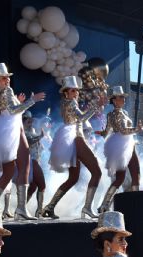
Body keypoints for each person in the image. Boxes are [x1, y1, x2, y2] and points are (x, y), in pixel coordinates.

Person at [0, 63, 45, 220]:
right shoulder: (7, 91)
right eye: (3, 78)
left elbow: (10, 110)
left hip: (4, 132)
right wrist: (32, 100)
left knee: (8, 172)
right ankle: (20, 209)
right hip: (13, 132)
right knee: (24, 167)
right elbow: (13, 111)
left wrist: (19, 103)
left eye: (7, 77)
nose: (7, 80)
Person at [43, 75, 104, 219]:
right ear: (66, 92)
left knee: (73, 178)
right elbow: (82, 118)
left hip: (69, 137)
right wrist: (96, 106)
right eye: (72, 91)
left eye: (76, 91)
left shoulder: (66, 103)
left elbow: (80, 117)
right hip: (75, 137)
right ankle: (87, 208)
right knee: (97, 172)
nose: (75, 93)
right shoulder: (71, 103)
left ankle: (49, 207)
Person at [97, 86, 141, 213]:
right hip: (123, 145)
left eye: (123, 96)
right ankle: (106, 205)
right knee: (124, 177)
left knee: (134, 174)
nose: (123, 99)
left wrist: (102, 133)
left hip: (125, 144)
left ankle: (108, 205)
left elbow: (107, 131)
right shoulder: (116, 114)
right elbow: (122, 131)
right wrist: (136, 129)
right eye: (120, 97)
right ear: (114, 100)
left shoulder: (114, 114)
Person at [22, 110, 46, 217]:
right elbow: (30, 141)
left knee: (33, 188)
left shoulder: (32, 130)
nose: (30, 121)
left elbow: (39, 147)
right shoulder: (22, 131)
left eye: (30, 119)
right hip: (30, 161)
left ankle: (21, 208)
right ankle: (39, 211)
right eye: (27, 119)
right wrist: (40, 136)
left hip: (35, 161)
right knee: (42, 185)